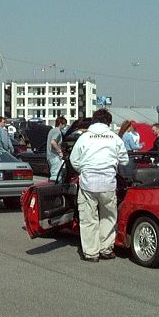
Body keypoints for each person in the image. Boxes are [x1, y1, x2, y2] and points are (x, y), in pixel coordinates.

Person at [69, 109, 129, 262]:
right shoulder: (115, 138)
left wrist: (83, 169)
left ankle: (91, 253)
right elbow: (125, 160)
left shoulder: (84, 137)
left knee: (89, 219)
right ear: (108, 122)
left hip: (88, 183)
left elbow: (74, 160)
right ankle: (106, 249)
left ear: (94, 121)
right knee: (108, 217)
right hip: (108, 183)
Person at [46, 116, 67, 181]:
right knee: (56, 176)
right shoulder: (57, 131)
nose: (65, 126)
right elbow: (53, 142)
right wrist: (60, 152)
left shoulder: (52, 130)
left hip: (50, 156)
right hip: (54, 156)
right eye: (64, 124)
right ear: (60, 124)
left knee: (53, 174)